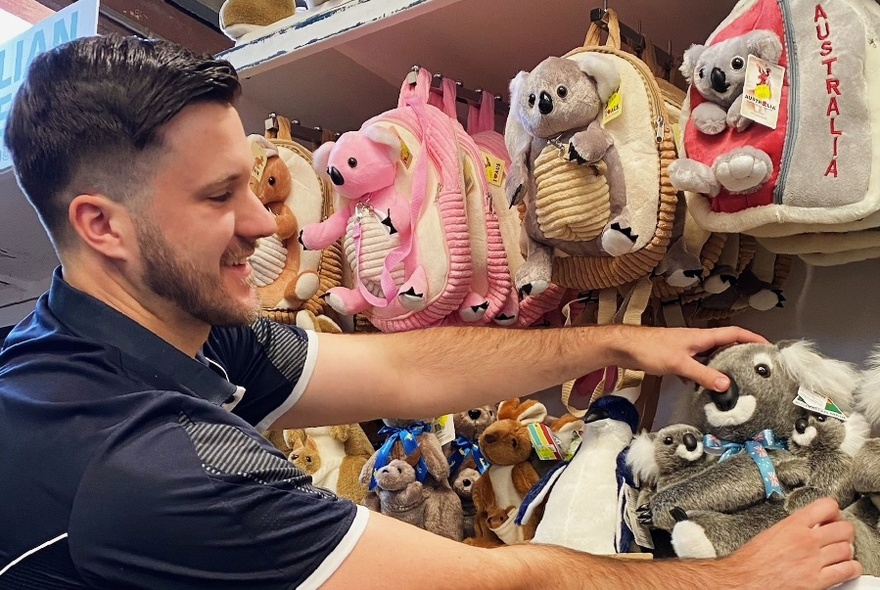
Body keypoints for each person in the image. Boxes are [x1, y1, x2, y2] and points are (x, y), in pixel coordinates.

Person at [0, 35, 860, 590]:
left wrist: (622, 340)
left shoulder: (139, 331)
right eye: (222, 196)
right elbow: (502, 585)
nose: (267, 222)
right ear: (102, 226)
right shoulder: (157, 470)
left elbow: (403, 369)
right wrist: (741, 580)